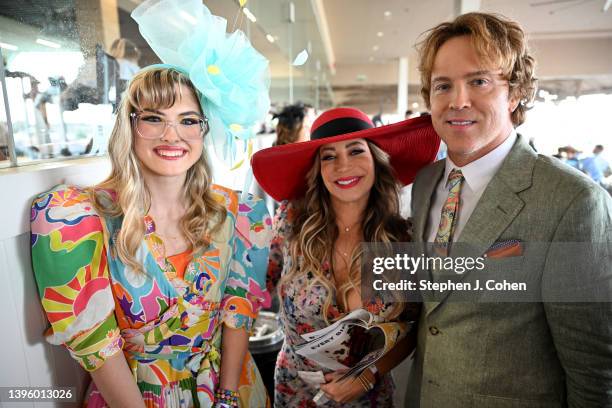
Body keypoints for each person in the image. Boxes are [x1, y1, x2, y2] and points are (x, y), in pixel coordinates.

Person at [30, 0, 272, 407]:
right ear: (129, 126)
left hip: (233, 392)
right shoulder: (77, 219)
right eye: (154, 118)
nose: (172, 135)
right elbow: (96, 348)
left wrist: (228, 398)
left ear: (204, 129)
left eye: (188, 119)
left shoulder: (239, 212)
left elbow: (238, 310)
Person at [406, 12, 612, 407]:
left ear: (515, 93)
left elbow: (595, 369)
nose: (457, 100)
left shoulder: (573, 201)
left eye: (479, 81)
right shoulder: (425, 184)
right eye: (443, 85)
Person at [252, 107, 441, 406]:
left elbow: (413, 327)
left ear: (376, 161)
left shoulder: (401, 239)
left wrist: (366, 376)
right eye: (329, 156)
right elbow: (259, 282)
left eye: (355, 151)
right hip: (297, 394)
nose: (343, 166)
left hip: (368, 397)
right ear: (319, 169)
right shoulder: (293, 221)